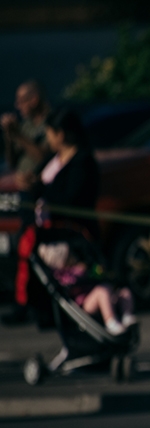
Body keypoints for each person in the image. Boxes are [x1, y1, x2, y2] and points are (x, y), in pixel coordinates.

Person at [3, 108, 99, 326]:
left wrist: (39, 188)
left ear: (61, 134)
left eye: (49, 133)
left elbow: (70, 199)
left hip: (71, 240)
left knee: (73, 293)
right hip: (45, 235)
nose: (48, 138)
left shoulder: (82, 163)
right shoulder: (54, 160)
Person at [1, 80, 50, 189]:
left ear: (34, 100)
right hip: (18, 184)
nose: (17, 106)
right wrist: (9, 135)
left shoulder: (51, 123)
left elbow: (44, 157)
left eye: (21, 101)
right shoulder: (25, 125)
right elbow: (11, 162)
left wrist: (18, 135)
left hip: (36, 186)